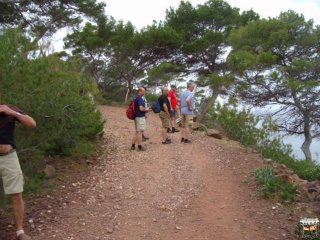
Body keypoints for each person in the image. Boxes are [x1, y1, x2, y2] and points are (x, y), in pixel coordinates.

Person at [0, 104, 36, 240]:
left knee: (16, 194)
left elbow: (32, 124)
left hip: (8, 157)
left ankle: (20, 232)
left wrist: (13, 113)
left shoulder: (9, 109)